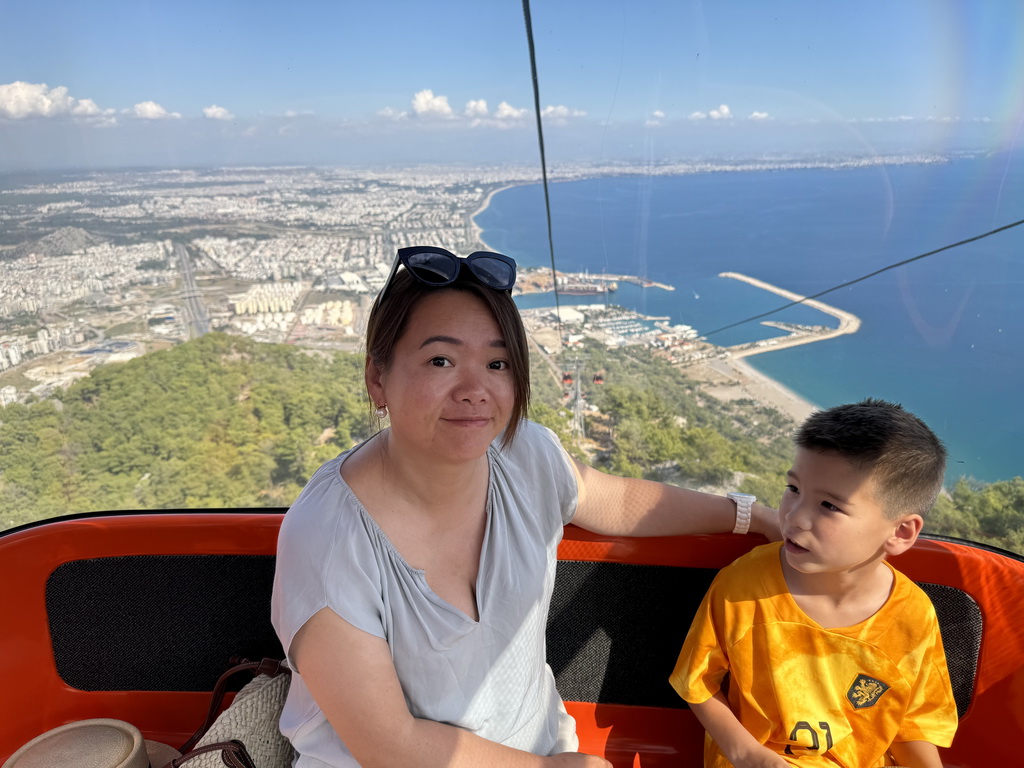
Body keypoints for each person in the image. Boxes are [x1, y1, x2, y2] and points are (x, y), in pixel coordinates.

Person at [270, 245, 779, 768]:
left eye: (498, 363)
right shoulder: (329, 538)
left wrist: (753, 516)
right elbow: (388, 746)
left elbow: (618, 500)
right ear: (378, 378)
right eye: (440, 360)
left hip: (538, 748)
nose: (475, 390)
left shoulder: (525, 455)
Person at [670, 399, 958, 768]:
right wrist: (746, 753)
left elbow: (912, 725)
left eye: (829, 506)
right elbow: (697, 681)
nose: (794, 516)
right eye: (793, 488)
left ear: (900, 532)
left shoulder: (913, 616)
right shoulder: (744, 586)